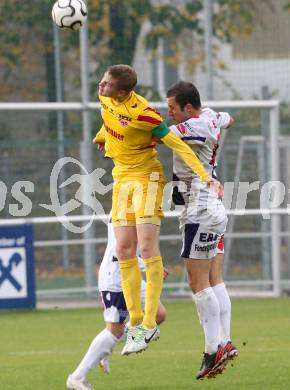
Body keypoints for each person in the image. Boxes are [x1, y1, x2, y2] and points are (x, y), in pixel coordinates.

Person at [93, 64, 223, 356]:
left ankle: (149, 323)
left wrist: (206, 177)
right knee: (124, 251)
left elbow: (177, 143)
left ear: (124, 91)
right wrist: (104, 136)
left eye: (106, 84)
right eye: (102, 81)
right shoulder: (106, 99)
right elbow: (109, 118)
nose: (101, 86)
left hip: (147, 180)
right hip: (121, 179)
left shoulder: (144, 114)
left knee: (148, 249)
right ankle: (136, 322)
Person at [166, 81, 237, 380]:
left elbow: (160, 136)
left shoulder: (193, 126)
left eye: (172, 108)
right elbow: (228, 118)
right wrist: (218, 118)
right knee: (212, 278)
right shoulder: (210, 116)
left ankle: (213, 350)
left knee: (197, 283)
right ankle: (225, 341)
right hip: (213, 206)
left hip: (200, 209)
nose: (169, 113)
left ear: (188, 107)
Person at [67, 213, 167, 390]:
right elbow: (119, 253)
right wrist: (150, 266)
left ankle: (108, 346)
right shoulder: (125, 209)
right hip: (115, 278)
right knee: (114, 329)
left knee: (158, 314)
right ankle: (77, 377)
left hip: (131, 273)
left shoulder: (138, 204)